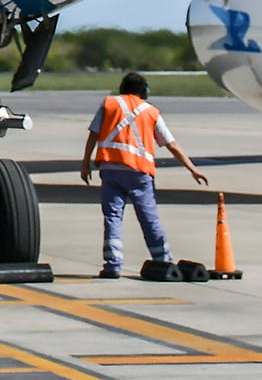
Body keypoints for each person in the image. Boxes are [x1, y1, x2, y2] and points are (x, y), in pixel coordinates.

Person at [79, 71, 210, 279]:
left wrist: (85, 164)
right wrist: (192, 168)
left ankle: (112, 265)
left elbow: (93, 134)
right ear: (144, 90)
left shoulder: (109, 104)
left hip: (110, 169)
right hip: (139, 172)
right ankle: (163, 260)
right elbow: (171, 144)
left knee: (112, 217)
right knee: (149, 218)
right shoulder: (151, 111)